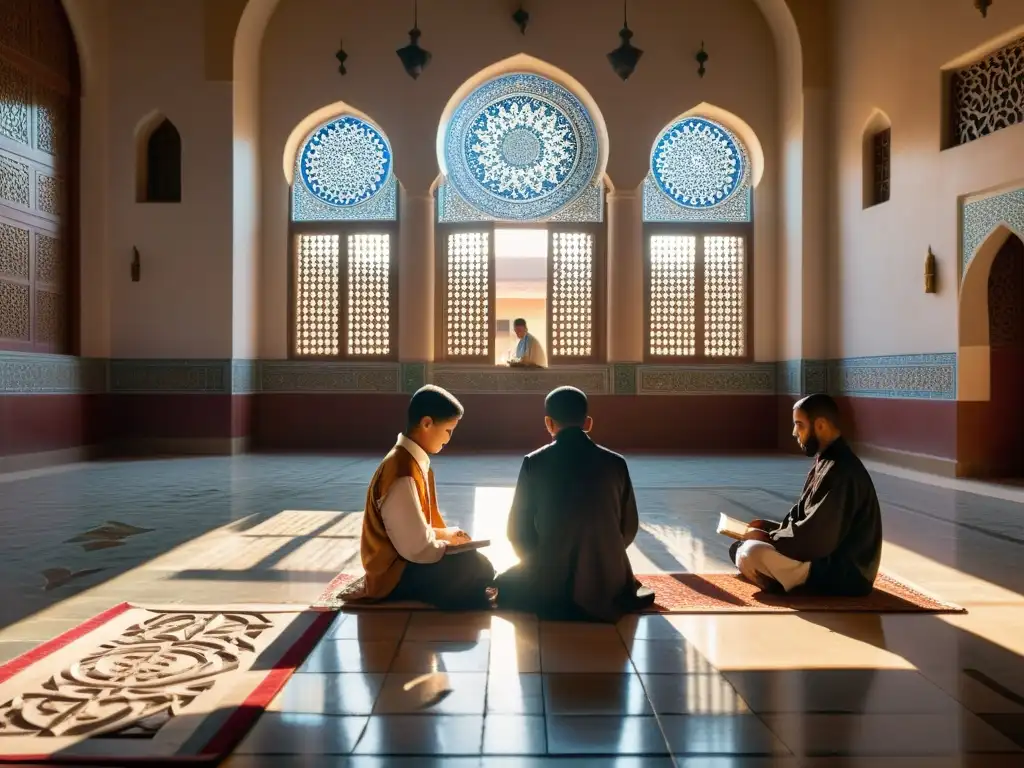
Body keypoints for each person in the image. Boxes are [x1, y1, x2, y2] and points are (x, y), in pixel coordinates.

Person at [495, 386, 655, 621]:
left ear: (548, 423)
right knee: (628, 589)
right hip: (606, 577)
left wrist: (538, 564)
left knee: (504, 584)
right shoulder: (616, 463)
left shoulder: (534, 463)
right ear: (588, 423)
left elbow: (517, 530)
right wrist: (604, 556)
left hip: (549, 575)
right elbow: (628, 527)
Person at [730, 393, 883, 596]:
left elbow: (817, 540)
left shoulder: (841, 470)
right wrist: (768, 527)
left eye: (799, 424)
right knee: (739, 548)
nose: (794, 432)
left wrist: (770, 538)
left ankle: (780, 580)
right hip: (826, 558)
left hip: (846, 574)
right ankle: (776, 577)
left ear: (820, 425)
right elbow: (805, 518)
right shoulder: (827, 460)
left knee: (751, 552)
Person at [358, 385, 496, 609]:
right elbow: (416, 548)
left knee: (478, 567)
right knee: (477, 568)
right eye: (448, 431)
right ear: (427, 423)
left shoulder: (410, 460)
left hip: (406, 559)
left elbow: (412, 528)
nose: (449, 438)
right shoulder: (401, 470)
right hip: (394, 574)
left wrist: (448, 534)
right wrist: (447, 546)